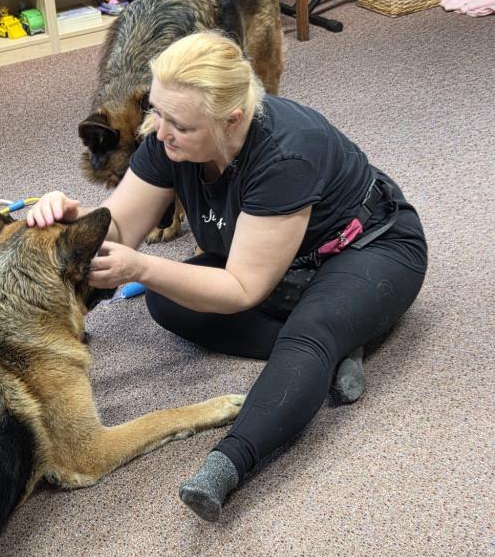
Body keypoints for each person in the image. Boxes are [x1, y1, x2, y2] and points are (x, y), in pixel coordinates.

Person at [27, 31, 427, 522]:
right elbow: (122, 229)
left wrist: (144, 267)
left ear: (231, 120)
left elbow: (242, 289)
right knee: (166, 300)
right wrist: (72, 224)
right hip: (275, 265)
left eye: (180, 124)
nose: (160, 132)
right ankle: (345, 341)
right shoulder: (166, 137)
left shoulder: (286, 152)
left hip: (366, 247)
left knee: (310, 333)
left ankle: (229, 463)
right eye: (157, 112)